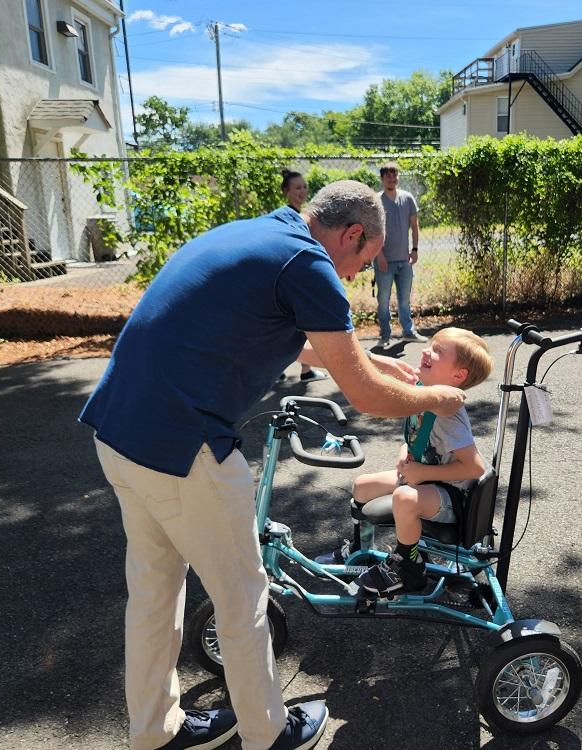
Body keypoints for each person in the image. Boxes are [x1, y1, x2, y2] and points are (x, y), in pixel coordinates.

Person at [79, 180, 467, 750]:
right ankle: (268, 733)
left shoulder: (261, 233)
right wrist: (436, 398)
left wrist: (379, 368)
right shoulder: (309, 266)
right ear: (353, 233)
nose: (360, 273)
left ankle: (154, 731)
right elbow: (365, 399)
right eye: (364, 258)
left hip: (119, 433)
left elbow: (311, 347)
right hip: (184, 452)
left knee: (154, 591)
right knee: (242, 597)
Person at [321, 328, 493, 595]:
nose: (426, 350)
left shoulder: (450, 415)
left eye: (438, 351)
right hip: (424, 475)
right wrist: (405, 452)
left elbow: (474, 467)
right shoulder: (423, 393)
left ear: (457, 376)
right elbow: (416, 435)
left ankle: (407, 568)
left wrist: (422, 471)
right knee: (362, 486)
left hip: (453, 494)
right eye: (431, 345)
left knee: (404, 498)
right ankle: (361, 550)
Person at [278, 168, 326, 383]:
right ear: (286, 191)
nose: (302, 191)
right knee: (299, 326)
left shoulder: (301, 214)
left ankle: (302, 371)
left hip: (295, 278)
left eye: (304, 186)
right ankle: (302, 371)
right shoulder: (289, 217)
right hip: (291, 280)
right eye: (297, 187)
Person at [374, 162, 425, 350]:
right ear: (382, 179)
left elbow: (415, 226)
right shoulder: (376, 201)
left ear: (398, 178)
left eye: (394, 176)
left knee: (404, 300)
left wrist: (415, 250)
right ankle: (384, 335)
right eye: (388, 176)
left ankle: (408, 332)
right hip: (384, 261)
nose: (392, 179)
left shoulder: (407, 198)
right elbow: (373, 231)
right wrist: (379, 255)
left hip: (404, 261)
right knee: (383, 300)